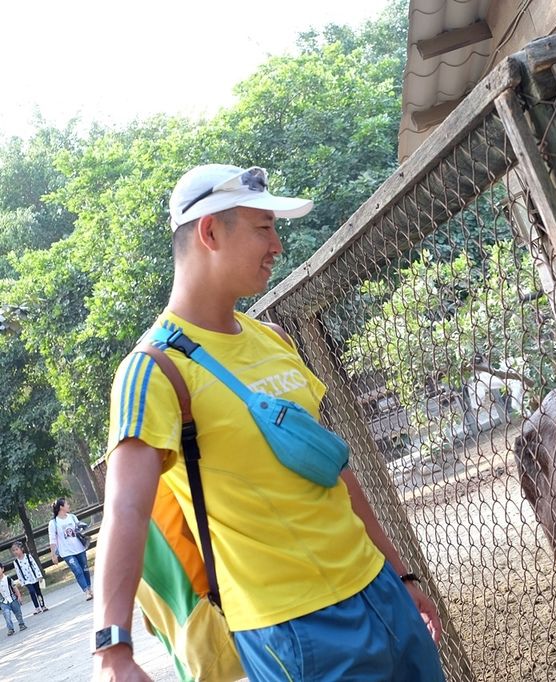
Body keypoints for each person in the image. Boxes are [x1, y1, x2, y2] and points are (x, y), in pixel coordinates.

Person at [95, 164, 445, 681]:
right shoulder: (153, 371)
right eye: (264, 227)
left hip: (379, 591)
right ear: (210, 232)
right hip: (294, 632)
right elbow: (123, 511)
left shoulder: (275, 339)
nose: (277, 244)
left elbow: (335, 470)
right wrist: (112, 653)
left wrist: (401, 572)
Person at [48, 497, 92, 601]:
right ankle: (86, 591)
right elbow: (52, 539)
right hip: (67, 552)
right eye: (66, 504)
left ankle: (90, 588)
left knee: (85, 569)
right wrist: (53, 554)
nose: (68, 506)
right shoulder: (53, 523)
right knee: (77, 571)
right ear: (61, 507)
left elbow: (79, 530)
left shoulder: (72, 517)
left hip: (79, 548)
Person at [11, 542, 47, 614]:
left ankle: (42, 605)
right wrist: (21, 581)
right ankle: (37, 607)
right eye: (13, 550)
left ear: (22, 549)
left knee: (38, 591)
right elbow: (18, 572)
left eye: (17, 549)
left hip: (34, 577)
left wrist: (39, 575)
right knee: (32, 591)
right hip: (26, 580)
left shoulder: (28, 556)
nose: (15, 552)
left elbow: (34, 565)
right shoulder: (16, 562)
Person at [0, 571, 27, 636]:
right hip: (3, 601)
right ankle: (10, 629)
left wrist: (19, 596)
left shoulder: (8, 579)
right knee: (7, 615)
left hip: (13, 598)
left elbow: (15, 588)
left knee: (18, 612)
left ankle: (21, 624)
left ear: (2, 569)